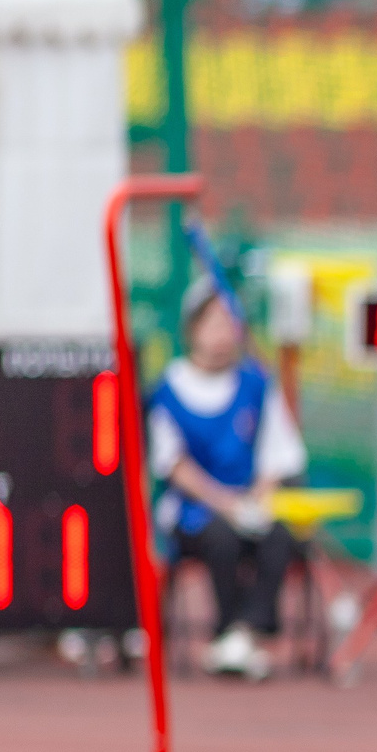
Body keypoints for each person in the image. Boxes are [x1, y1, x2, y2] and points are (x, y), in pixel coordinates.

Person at [148, 282, 308, 681]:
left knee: (278, 534)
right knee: (220, 535)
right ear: (193, 329)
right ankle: (228, 628)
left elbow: (279, 453)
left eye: (229, 323)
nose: (223, 332)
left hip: (250, 503)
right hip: (196, 511)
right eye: (214, 322)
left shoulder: (256, 385)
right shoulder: (168, 390)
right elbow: (173, 463)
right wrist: (222, 501)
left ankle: (246, 633)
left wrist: (256, 498)